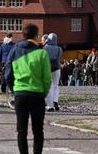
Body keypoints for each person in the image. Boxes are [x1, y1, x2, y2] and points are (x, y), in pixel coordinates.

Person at [5, 24, 51, 154]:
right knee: (38, 130)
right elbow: (47, 78)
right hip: (37, 95)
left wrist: (15, 90)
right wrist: (44, 92)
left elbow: (8, 74)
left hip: (20, 93)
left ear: (23, 35)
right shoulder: (42, 53)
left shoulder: (14, 50)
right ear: (36, 36)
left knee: (21, 130)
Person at [43, 33, 63, 112]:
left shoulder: (45, 48)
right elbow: (60, 58)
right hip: (57, 69)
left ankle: (50, 106)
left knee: (50, 87)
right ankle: (55, 101)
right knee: (56, 86)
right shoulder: (59, 48)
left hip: (48, 69)